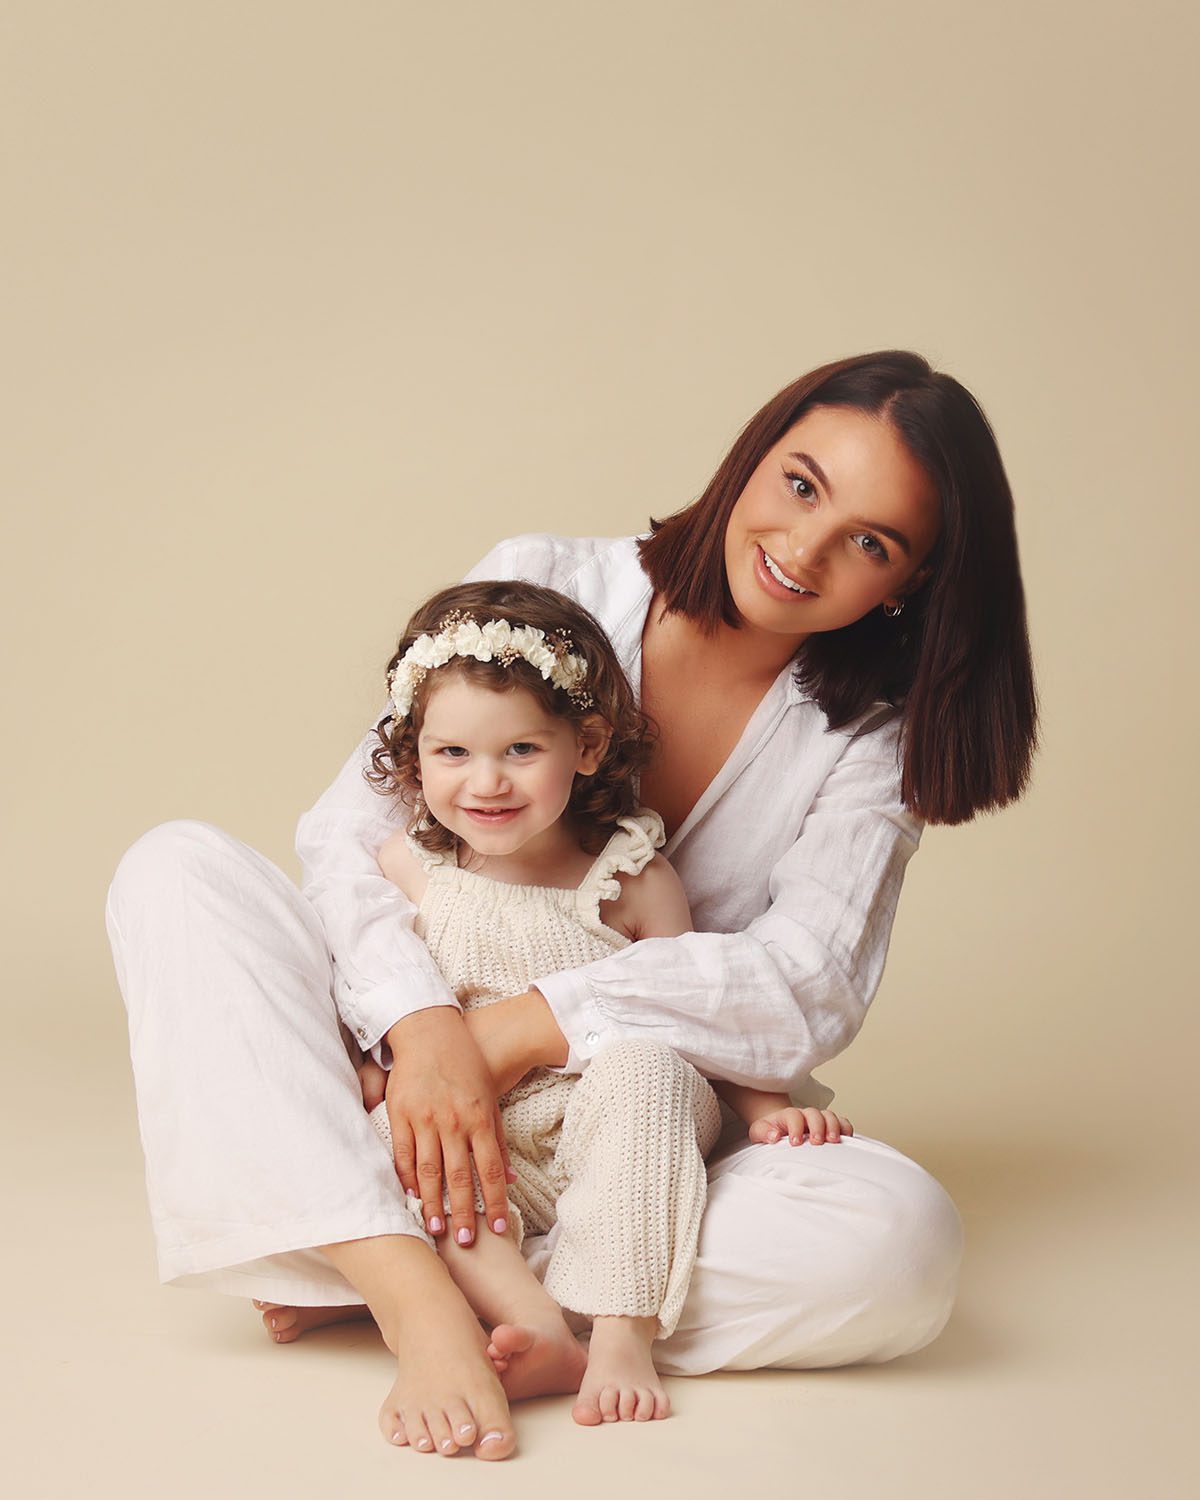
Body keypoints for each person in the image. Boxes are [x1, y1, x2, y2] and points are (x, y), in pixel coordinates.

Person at [106, 350, 1036, 1462]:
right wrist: (425, 1028)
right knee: (176, 870)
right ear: (753, 458)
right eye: (800, 485)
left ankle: (378, 1249)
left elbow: (806, 979)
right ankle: (420, 1301)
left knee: (899, 1241)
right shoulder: (552, 583)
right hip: (405, 1057)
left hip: (625, 1123)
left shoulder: (868, 740)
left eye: (870, 542)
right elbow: (355, 838)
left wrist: (509, 1034)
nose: (804, 549)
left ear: (911, 582)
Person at [336, 579, 852, 1430]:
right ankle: (529, 1317)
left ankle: (620, 1330)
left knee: (647, 1070)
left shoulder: (629, 876)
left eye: (521, 752)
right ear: (415, 753)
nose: (486, 783)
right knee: (396, 1136)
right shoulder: (410, 866)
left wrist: (769, 1106)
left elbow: (692, 1005)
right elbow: (374, 989)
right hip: (486, 1130)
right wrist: (372, 1067)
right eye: (453, 754)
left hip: (607, 1116)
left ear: (585, 745)